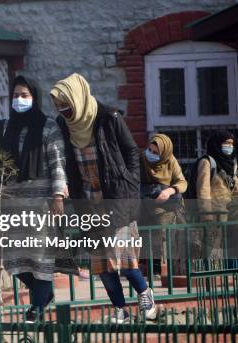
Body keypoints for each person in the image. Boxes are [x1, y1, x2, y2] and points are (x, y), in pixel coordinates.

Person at [52, 73, 155, 323]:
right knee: (101, 263)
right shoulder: (65, 124)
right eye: (58, 106)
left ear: (79, 97)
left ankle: (145, 293)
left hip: (116, 196)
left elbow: (131, 150)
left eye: (66, 104)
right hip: (88, 201)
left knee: (125, 257)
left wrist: (130, 183)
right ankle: (120, 309)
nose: (63, 110)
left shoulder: (109, 117)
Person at [0, 75, 76, 321]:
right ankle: (44, 293)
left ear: (34, 97)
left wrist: (58, 195)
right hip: (14, 203)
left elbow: (58, 163)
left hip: (42, 203)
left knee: (40, 257)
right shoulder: (6, 127)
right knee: (14, 258)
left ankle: (37, 308)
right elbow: (3, 165)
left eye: (24, 95)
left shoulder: (48, 126)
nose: (19, 100)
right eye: (15, 95)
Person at [139, 134, 187, 273]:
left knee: (165, 236)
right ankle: (152, 270)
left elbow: (182, 182)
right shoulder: (141, 159)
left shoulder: (170, 161)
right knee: (147, 237)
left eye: (156, 153)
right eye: (150, 150)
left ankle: (166, 271)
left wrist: (170, 191)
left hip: (168, 206)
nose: (151, 154)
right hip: (146, 204)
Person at [195, 130, 237, 259]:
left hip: (231, 212)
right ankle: (216, 276)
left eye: (231, 144)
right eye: (226, 143)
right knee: (215, 249)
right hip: (215, 212)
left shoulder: (232, 164)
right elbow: (203, 189)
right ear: (217, 144)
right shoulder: (207, 162)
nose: (229, 147)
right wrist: (206, 214)